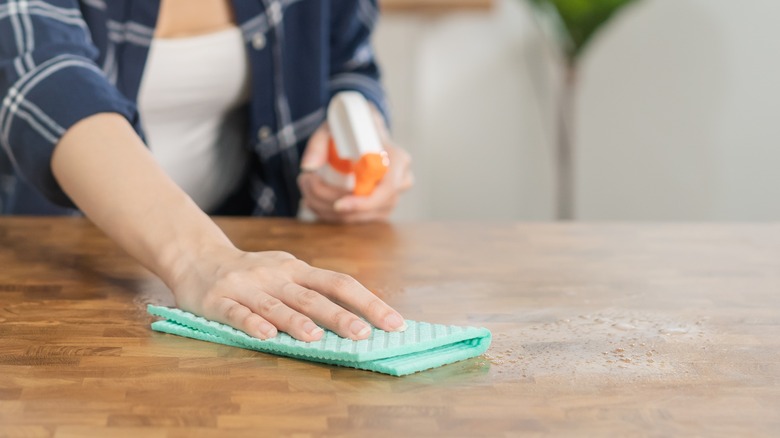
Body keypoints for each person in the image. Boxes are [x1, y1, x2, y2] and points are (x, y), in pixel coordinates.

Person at [0, 0, 413, 342]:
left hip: (244, 248)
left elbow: (347, 62)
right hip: (44, 272)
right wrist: (199, 259)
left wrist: (358, 130)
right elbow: (42, 76)